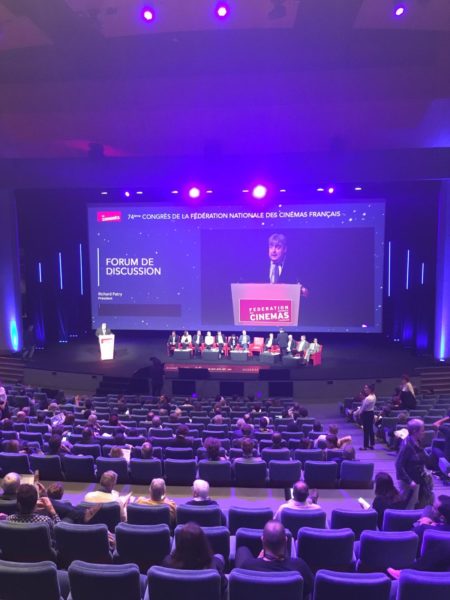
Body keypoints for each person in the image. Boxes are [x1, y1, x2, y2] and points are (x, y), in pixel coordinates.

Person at [235, 520, 313, 598]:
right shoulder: (300, 567)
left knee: (242, 549)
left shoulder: (248, 568)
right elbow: (308, 590)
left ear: (262, 540)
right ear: (286, 540)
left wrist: (257, 561)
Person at [387, 495, 450, 579]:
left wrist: (422, 524)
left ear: (442, 517)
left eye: (434, 508)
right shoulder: (437, 523)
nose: (432, 509)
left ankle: (406, 573)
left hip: (410, 561)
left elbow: (404, 539)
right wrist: (436, 524)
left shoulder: (424, 529)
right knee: (427, 508)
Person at [162, 522, 227, 596]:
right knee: (219, 557)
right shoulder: (213, 570)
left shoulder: (166, 563)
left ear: (179, 543)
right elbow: (224, 587)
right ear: (203, 544)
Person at [396, 419, 433, 509]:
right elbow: (398, 465)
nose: (424, 433)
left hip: (417, 478)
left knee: (419, 503)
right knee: (408, 506)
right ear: (414, 431)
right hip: (408, 481)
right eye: (422, 430)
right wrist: (409, 481)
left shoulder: (417, 441)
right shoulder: (407, 445)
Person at [353, 383, 377, 450]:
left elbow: (362, 408)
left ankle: (365, 446)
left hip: (366, 414)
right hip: (371, 413)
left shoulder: (368, 398)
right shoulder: (374, 396)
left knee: (366, 430)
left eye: (366, 388)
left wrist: (356, 414)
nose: (365, 389)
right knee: (371, 429)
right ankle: (372, 444)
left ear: (370, 389)